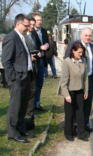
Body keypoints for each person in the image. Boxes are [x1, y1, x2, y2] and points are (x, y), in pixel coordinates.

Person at [2, 14, 35, 143]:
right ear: (18, 24)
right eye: (26, 26)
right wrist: (14, 78)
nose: (28, 28)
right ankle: (13, 133)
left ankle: (21, 129)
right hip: (18, 78)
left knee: (23, 105)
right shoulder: (11, 38)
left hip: (26, 76)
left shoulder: (22, 37)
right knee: (15, 106)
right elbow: (6, 61)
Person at [64, 28, 93, 132]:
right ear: (81, 36)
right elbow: (67, 59)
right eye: (86, 35)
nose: (88, 37)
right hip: (77, 79)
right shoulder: (74, 45)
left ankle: (85, 124)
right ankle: (75, 125)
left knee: (88, 103)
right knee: (77, 104)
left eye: (89, 35)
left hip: (90, 78)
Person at [59, 41, 89, 141]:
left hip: (80, 91)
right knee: (70, 113)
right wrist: (66, 95)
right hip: (70, 92)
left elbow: (85, 78)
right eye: (79, 52)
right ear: (73, 51)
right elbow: (63, 81)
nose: (81, 55)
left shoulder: (83, 61)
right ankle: (68, 133)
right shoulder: (67, 62)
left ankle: (81, 133)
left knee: (80, 113)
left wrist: (86, 91)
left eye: (82, 52)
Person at [31, 12, 49, 111]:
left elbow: (47, 42)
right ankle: (32, 105)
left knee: (40, 83)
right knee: (33, 84)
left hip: (42, 59)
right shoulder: (31, 31)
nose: (40, 22)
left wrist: (47, 46)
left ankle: (37, 104)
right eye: (37, 20)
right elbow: (31, 45)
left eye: (40, 20)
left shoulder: (44, 31)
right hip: (34, 60)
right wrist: (40, 47)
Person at [24, 17, 41, 120]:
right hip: (28, 67)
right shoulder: (24, 37)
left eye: (33, 25)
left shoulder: (32, 36)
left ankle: (30, 111)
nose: (31, 27)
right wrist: (30, 56)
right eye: (30, 25)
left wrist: (38, 53)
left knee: (33, 90)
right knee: (29, 90)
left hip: (34, 66)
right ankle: (28, 112)